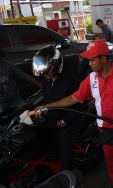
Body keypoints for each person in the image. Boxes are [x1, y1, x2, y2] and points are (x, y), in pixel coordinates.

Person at [31, 40, 113, 188]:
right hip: (104, 128)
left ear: (104, 58)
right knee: (111, 161)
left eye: (93, 60)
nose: (90, 64)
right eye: (89, 60)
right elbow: (73, 98)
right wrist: (46, 106)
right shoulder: (90, 79)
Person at [31, 45, 86, 185]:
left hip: (65, 124)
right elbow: (46, 98)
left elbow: (81, 106)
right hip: (50, 120)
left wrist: (63, 122)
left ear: (57, 65)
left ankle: (71, 178)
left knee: (66, 158)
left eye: (48, 72)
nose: (46, 75)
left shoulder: (71, 80)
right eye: (44, 73)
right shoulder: (45, 78)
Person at [0, 45, 40, 114]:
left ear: (1, 57)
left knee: (22, 116)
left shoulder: (9, 66)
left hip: (15, 100)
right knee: (3, 120)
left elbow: (25, 76)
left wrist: (39, 84)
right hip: (1, 101)